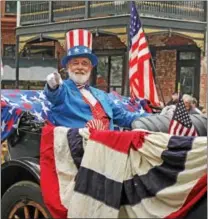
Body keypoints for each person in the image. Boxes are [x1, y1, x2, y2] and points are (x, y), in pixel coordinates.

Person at [44, 29, 148, 130]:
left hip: (109, 142)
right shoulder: (64, 89)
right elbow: (53, 94)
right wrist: (53, 84)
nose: (80, 67)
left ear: (90, 68)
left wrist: (156, 119)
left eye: (84, 63)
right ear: (67, 67)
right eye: (75, 63)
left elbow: (123, 117)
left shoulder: (102, 95)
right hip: (79, 143)